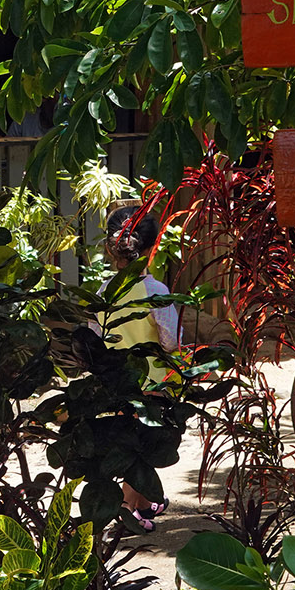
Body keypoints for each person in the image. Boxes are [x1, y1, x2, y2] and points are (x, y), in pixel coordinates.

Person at [102, 207, 179, 528]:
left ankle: (145, 504)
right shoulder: (156, 292)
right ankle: (125, 510)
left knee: (130, 441)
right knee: (144, 447)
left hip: (116, 383)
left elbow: (96, 339)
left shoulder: (104, 291)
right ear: (152, 247)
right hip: (152, 385)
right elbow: (170, 342)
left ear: (110, 248)